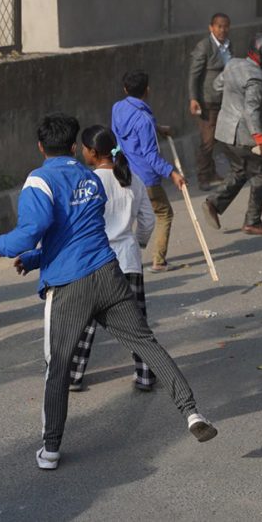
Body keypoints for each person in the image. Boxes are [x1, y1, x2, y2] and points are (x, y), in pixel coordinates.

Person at [0, 113, 217, 471]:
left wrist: (1, 245)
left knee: (57, 368)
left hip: (70, 284)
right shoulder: (88, 177)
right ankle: (192, 412)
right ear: (74, 147)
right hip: (109, 274)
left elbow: (33, 228)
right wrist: (35, 257)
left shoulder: (38, 180)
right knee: (148, 345)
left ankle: (51, 448)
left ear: (41, 146)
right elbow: (75, 232)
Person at [68, 124, 156, 392]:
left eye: (84, 148)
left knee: (83, 321)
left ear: (93, 152)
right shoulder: (132, 179)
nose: (83, 152)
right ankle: (145, 374)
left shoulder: (86, 182)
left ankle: (73, 375)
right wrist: (137, 242)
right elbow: (148, 221)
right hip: (128, 259)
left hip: (95, 261)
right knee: (136, 323)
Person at [203, 32, 262, 236]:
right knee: (261, 175)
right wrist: (261, 140)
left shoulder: (233, 64)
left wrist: (231, 99)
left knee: (239, 170)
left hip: (224, 132)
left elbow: (217, 86)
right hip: (243, 136)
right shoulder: (257, 78)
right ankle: (252, 221)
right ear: (261, 55)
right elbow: (251, 110)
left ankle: (214, 203)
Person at [112, 71, 186, 273]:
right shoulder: (144, 119)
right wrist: (172, 173)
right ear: (147, 90)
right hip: (145, 179)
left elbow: (123, 136)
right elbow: (151, 156)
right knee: (164, 214)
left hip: (123, 173)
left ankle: (120, 259)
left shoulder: (117, 108)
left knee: (128, 218)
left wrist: (158, 128)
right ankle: (159, 261)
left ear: (125, 89)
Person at [188, 13, 233, 191]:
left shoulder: (228, 45)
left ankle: (213, 172)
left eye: (225, 26)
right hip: (206, 100)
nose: (222, 30)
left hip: (223, 98)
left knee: (218, 137)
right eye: (219, 26)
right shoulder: (204, 47)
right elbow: (194, 75)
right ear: (211, 28)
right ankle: (203, 177)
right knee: (207, 140)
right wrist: (193, 99)